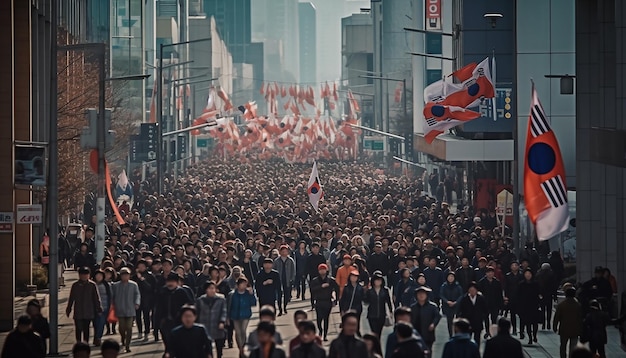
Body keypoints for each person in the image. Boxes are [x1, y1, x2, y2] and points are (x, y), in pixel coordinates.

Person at [156, 272, 195, 349]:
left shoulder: (182, 292)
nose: (170, 284)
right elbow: (158, 307)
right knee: (167, 343)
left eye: (172, 282)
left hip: (179, 321)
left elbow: (189, 305)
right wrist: (157, 322)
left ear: (177, 283)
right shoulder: (162, 292)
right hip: (165, 322)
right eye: (168, 281)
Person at [66, 266, 102, 343]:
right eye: (82, 274)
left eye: (86, 274)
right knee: (78, 328)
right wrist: (69, 308)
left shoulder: (92, 285)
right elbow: (71, 298)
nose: (84, 276)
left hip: (88, 311)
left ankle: (86, 343)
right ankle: (78, 343)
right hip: (78, 311)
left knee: (86, 329)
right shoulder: (75, 285)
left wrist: (99, 307)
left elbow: (96, 298)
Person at [111, 267, 141, 353]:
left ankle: (127, 345)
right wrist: (112, 305)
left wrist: (137, 303)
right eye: (123, 275)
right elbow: (112, 297)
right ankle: (123, 338)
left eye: (127, 275)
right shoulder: (116, 285)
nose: (125, 277)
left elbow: (137, 295)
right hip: (120, 309)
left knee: (129, 327)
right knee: (122, 327)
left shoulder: (133, 285)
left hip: (130, 309)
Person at [196, 280, 228, 358]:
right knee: (207, 345)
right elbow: (197, 312)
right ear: (206, 290)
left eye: (213, 288)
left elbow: (224, 311)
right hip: (205, 324)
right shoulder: (200, 300)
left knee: (219, 344)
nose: (212, 290)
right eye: (210, 288)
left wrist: (222, 321)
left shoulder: (221, 299)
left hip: (217, 324)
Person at [228, 277, 257, 356]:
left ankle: (243, 348)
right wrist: (227, 317)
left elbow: (254, 303)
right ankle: (240, 348)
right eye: (242, 284)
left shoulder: (248, 293)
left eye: (245, 284)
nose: (244, 286)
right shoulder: (233, 294)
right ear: (238, 285)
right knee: (238, 332)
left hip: (245, 315)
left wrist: (252, 295)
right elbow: (229, 306)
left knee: (243, 331)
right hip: (235, 315)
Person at [310, 263, 339, 340]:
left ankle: (325, 335)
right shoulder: (315, 280)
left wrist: (336, 300)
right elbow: (312, 290)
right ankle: (320, 330)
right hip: (319, 301)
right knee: (319, 319)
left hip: (327, 301)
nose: (322, 271)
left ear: (326, 270)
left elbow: (337, 288)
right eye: (321, 270)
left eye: (324, 269)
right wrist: (321, 287)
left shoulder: (331, 280)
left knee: (326, 319)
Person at [410, 286, 441, 356]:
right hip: (416, 334)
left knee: (428, 352)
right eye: (419, 294)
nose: (421, 296)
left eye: (423, 294)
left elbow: (437, 316)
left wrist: (433, 324)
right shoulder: (413, 307)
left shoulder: (432, 306)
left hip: (428, 334)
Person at [552, 287, 582, 358]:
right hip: (575, 329)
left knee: (563, 346)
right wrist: (581, 330)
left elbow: (557, 317)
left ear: (566, 294)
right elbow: (580, 318)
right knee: (573, 346)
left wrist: (555, 327)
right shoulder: (578, 305)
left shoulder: (562, 305)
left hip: (564, 329)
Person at [364, 270, 393, 337]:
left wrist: (391, 312)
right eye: (376, 280)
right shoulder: (369, 291)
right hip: (371, 315)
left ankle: (377, 345)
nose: (378, 282)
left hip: (382, 315)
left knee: (379, 332)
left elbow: (388, 301)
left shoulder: (385, 290)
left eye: (379, 280)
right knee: (374, 332)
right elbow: (366, 301)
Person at [477, 266, 503, 339]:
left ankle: (493, 332)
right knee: (486, 319)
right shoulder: (482, 282)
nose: (490, 274)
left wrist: (501, 305)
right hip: (485, 303)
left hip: (495, 303)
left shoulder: (497, 282)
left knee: (494, 318)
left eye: (492, 272)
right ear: (486, 273)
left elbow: (500, 294)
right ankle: (487, 331)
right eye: (489, 272)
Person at [133, 259, 156, 341]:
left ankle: (147, 332)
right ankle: (139, 331)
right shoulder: (134, 276)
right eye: (139, 266)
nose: (141, 268)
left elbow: (150, 288)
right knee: (138, 316)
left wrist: (142, 279)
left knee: (146, 316)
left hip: (147, 299)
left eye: (142, 266)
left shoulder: (150, 276)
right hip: (137, 299)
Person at [517, 268, 542, 345]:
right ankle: (530, 338)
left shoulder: (536, 284)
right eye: (526, 274)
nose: (528, 275)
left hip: (534, 306)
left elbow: (539, 294)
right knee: (527, 323)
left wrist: (539, 302)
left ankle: (534, 335)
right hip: (525, 307)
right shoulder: (521, 284)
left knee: (534, 323)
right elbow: (518, 296)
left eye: (529, 274)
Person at [273, 245, 296, 315]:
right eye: (282, 251)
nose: (284, 253)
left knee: (287, 295)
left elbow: (293, 270)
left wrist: (292, 278)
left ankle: (285, 307)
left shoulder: (290, 260)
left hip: (287, 279)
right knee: (279, 295)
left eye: (285, 251)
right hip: (279, 280)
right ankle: (280, 309)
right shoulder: (276, 261)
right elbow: (274, 269)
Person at [439, 272, 463, 338]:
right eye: (449, 277)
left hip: (456, 305)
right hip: (447, 306)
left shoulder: (458, 286)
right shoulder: (444, 286)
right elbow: (441, 295)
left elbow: (461, 295)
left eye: (452, 277)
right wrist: (447, 302)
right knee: (449, 322)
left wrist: (456, 302)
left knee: (457, 322)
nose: (450, 278)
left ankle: (457, 334)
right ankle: (450, 335)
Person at [536, 262, 558, 330]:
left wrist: (538, 294)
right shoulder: (552, 274)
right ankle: (548, 323)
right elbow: (554, 286)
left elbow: (537, 285)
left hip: (541, 295)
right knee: (549, 309)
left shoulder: (538, 274)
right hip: (549, 295)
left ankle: (543, 323)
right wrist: (555, 296)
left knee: (542, 309)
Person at [503, 261, 523, 335]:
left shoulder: (521, 275)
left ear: (518, 267)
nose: (514, 267)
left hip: (520, 298)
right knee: (512, 314)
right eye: (513, 265)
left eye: (516, 265)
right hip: (511, 297)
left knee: (521, 315)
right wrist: (506, 297)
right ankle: (514, 328)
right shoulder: (508, 276)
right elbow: (506, 287)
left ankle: (521, 330)